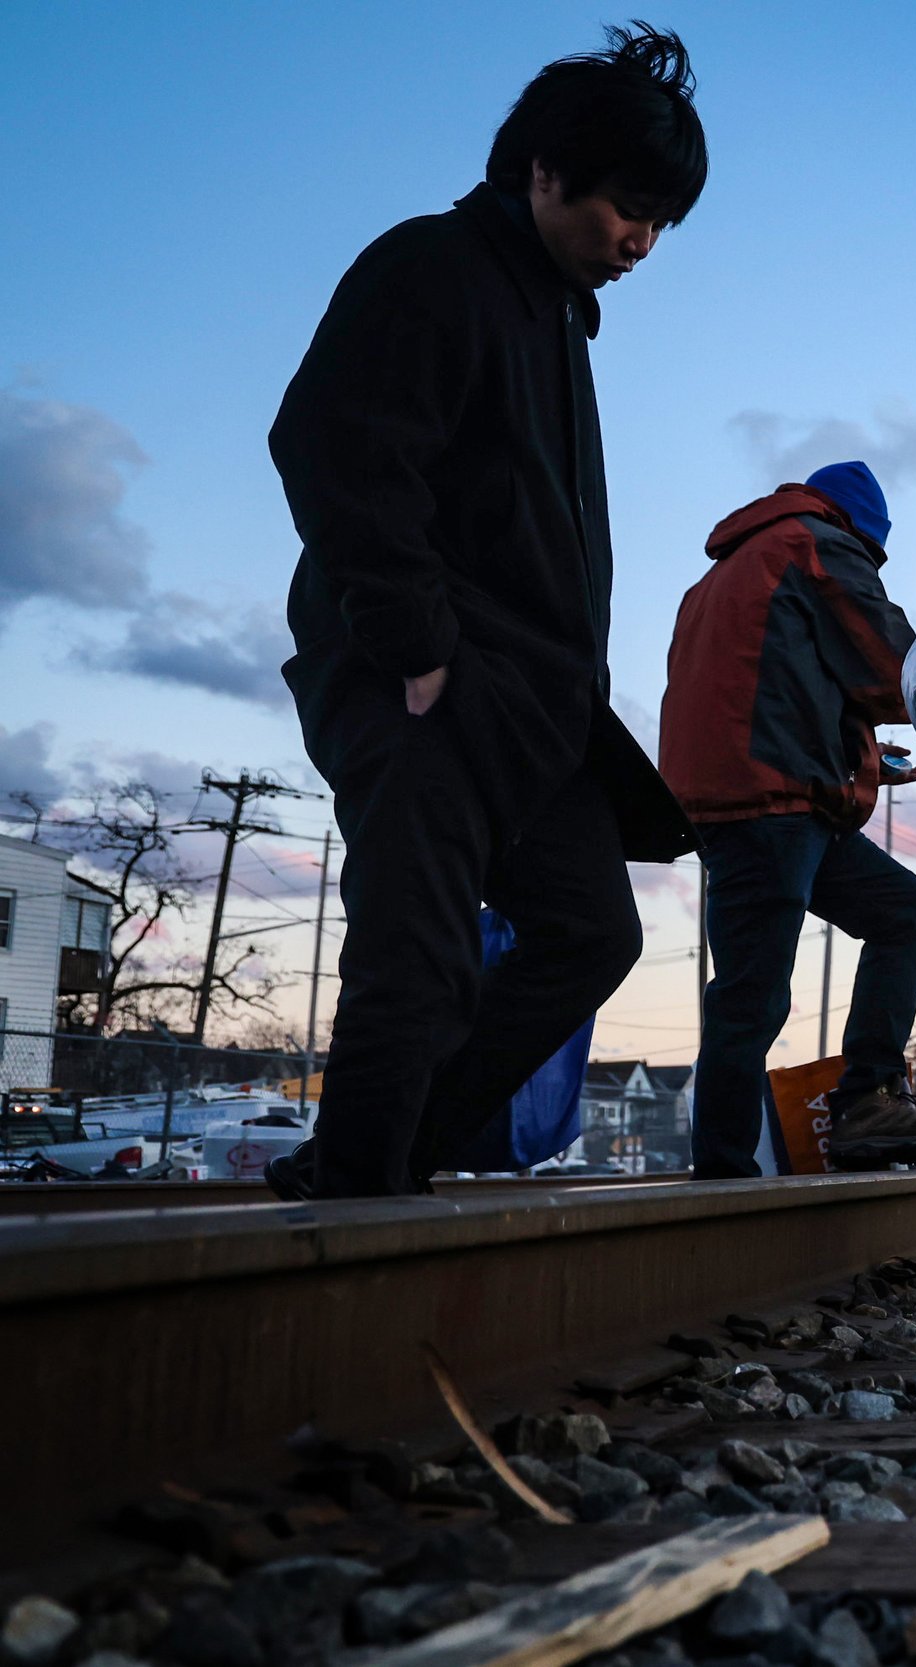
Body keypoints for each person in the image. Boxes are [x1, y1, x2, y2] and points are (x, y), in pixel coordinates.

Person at [265, 25, 707, 1198]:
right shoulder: (434, 267)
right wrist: (413, 646)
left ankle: (388, 1162)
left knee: (589, 933)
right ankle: (354, 1210)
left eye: (662, 223)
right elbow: (327, 444)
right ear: (545, 170)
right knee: (414, 956)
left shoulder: (553, 315)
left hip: (532, 709)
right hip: (427, 681)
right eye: (630, 208)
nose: (642, 243)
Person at [659, 462, 916, 1176]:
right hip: (771, 801)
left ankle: (863, 1105)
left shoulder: (721, 576)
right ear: (861, 529)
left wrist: (857, 755)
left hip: (747, 797)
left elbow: (771, 684)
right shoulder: (814, 544)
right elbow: (893, 664)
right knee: (750, 994)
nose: (872, 568)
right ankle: (726, 1173)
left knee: (902, 913)